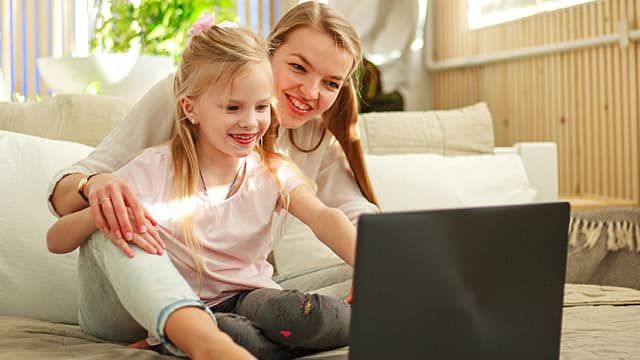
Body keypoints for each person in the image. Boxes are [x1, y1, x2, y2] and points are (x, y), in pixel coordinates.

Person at [48, 17, 355, 360]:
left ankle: (224, 338)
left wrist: (371, 265)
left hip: (238, 300)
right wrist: (101, 205)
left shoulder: (275, 166)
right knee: (118, 222)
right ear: (189, 108)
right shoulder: (155, 163)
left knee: (361, 283)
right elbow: (58, 235)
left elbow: (326, 216)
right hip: (137, 305)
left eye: (261, 107)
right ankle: (198, 337)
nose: (250, 121)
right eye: (233, 107)